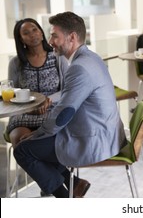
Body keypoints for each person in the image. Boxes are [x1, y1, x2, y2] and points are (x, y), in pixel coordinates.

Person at [13, 11, 126, 198]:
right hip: (105, 132)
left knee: (23, 150)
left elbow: (63, 114)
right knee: (40, 145)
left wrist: (36, 134)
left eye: (54, 35)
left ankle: (66, 201)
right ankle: (75, 184)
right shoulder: (92, 57)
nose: (49, 41)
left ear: (71, 37)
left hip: (95, 140)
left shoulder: (79, 68)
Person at [7, 18, 68, 148]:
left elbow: (67, 90)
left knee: (47, 143)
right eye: (26, 33)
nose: (32, 34)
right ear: (21, 39)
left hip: (53, 111)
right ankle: (31, 168)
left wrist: (47, 100)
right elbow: (13, 93)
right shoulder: (16, 63)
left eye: (35, 30)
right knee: (20, 140)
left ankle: (52, 168)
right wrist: (30, 106)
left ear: (41, 33)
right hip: (25, 114)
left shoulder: (58, 57)